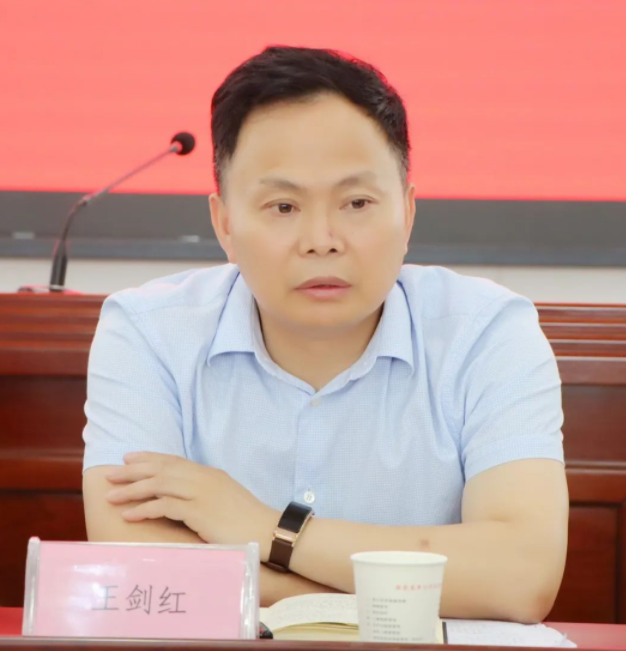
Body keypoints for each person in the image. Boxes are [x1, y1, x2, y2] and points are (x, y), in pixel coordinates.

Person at [82, 46, 568, 622]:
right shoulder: (148, 333)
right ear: (225, 224)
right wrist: (365, 596)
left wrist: (263, 527)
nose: (321, 240)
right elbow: (136, 565)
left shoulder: (487, 334)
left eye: (357, 202)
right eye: (283, 206)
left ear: (407, 213)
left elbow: (522, 575)